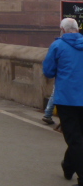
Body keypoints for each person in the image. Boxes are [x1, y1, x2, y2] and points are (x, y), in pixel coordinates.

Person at [43, 17, 83, 184]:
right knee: (78, 138)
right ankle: (68, 166)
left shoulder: (58, 46)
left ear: (63, 29)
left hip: (66, 99)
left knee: (74, 138)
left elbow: (48, 71)